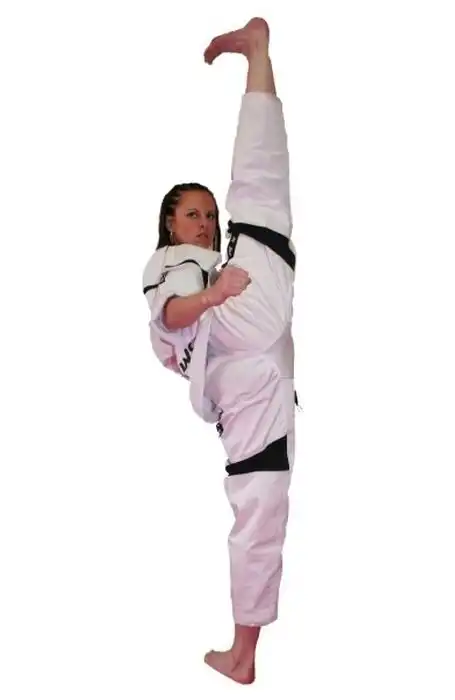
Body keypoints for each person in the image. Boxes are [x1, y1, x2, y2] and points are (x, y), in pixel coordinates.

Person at [142, 17, 297, 684]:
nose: (205, 224)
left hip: (245, 324)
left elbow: (192, 307)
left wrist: (216, 292)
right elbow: (174, 309)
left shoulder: (212, 269)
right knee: (261, 505)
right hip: (254, 377)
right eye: (193, 215)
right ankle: (244, 653)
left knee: (260, 196)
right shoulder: (170, 263)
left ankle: (257, 52)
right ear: (169, 224)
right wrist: (209, 295)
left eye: (209, 216)